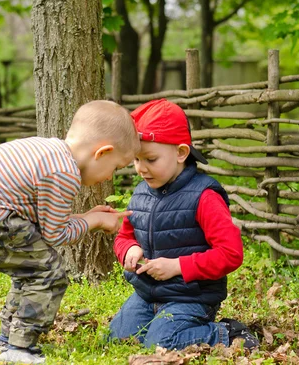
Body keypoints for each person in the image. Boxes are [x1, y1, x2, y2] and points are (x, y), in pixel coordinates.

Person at [0, 100, 140, 364]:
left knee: (30, 268)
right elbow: (56, 235)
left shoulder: (52, 152)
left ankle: (7, 339)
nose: (110, 177)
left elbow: (46, 223)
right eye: (115, 167)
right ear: (101, 152)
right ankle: (19, 349)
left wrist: (88, 216)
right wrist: (94, 222)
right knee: (49, 272)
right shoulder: (63, 174)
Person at [108, 98, 259, 351]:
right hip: (147, 295)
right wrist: (129, 250)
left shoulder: (204, 196)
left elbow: (231, 254)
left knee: (161, 343)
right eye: (136, 160)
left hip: (191, 297)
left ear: (180, 153)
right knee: (117, 340)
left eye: (151, 159)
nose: (141, 169)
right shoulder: (141, 194)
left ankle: (228, 334)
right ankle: (158, 323)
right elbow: (124, 237)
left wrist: (178, 266)